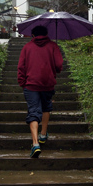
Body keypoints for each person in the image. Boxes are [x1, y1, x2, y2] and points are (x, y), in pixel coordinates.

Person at [17, 25, 63, 158]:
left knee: (33, 111)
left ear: (33, 35)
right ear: (46, 34)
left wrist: (22, 83)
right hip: (47, 83)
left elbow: (21, 67)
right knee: (46, 107)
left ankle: (35, 144)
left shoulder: (27, 47)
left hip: (31, 85)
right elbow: (59, 65)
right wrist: (54, 70)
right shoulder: (53, 46)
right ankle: (43, 135)